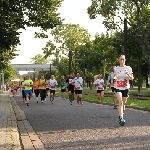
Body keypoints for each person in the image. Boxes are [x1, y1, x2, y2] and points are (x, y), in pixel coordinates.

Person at [113, 55, 134, 126]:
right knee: (120, 102)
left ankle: (121, 115)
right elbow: (115, 76)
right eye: (121, 59)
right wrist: (114, 79)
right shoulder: (116, 68)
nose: (122, 61)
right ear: (118, 60)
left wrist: (129, 75)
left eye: (123, 59)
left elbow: (132, 78)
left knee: (124, 103)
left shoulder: (128, 68)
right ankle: (121, 118)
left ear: (125, 60)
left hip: (126, 87)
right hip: (118, 87)